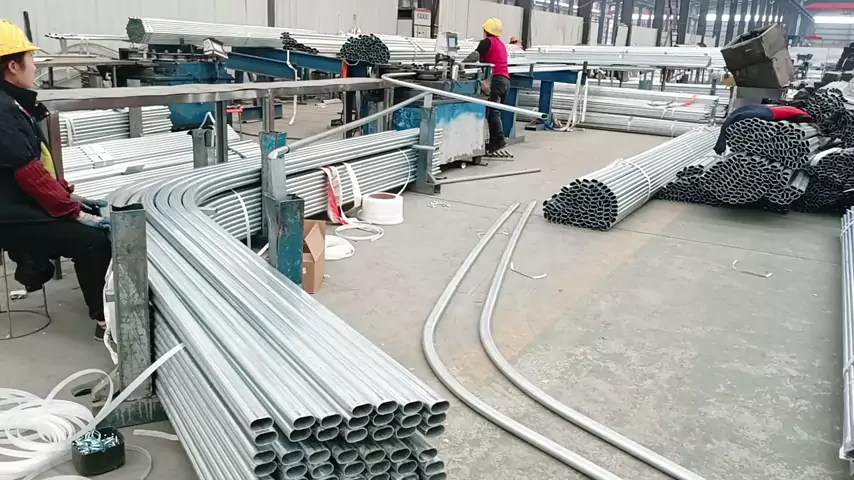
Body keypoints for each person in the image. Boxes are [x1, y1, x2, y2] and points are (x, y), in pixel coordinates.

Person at [0, 20, 112, 340]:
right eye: (30, 58)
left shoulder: (13, 103)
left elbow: (35, 168)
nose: (35, 65)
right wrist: (72, 211)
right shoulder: (4, 111)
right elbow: (30, 174)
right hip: (9, 213)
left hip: (16, 201)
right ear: (13, 66)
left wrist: (69, 197)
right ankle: (105, 321)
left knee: (87, 223)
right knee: (93, 241)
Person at [463, 18, 511, 153]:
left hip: (496, 80)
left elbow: (474, 56)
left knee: (493, 112)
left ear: (486, 30)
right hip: (506, 81)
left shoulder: (487, 42)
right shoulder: (501, 44)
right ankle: (494, 140)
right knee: (496, 112)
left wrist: (460, 66)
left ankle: (498, 141)